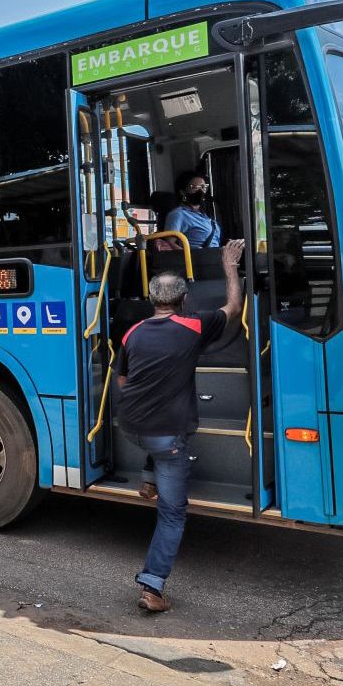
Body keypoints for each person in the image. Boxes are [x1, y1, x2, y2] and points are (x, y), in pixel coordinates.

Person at [115, 238, 244, 613]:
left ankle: (148, 479)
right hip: (164, 436)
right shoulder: (193, 325)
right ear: (184, 300)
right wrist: (229, 266)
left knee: (176, 425)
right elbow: (234, 308)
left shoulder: (133, 332)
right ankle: (152, 587)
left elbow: (122, 380)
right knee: (173, 513)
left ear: (152, 300)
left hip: (131, 425)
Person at [162, 172, 222, 249]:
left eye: (203, 187)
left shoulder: (206, 216)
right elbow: (169, 243)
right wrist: (192, 257)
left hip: (215, 257)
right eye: (194, 187)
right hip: (198, 259)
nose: (200, 191)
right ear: (183, 192)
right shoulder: (179, 214)